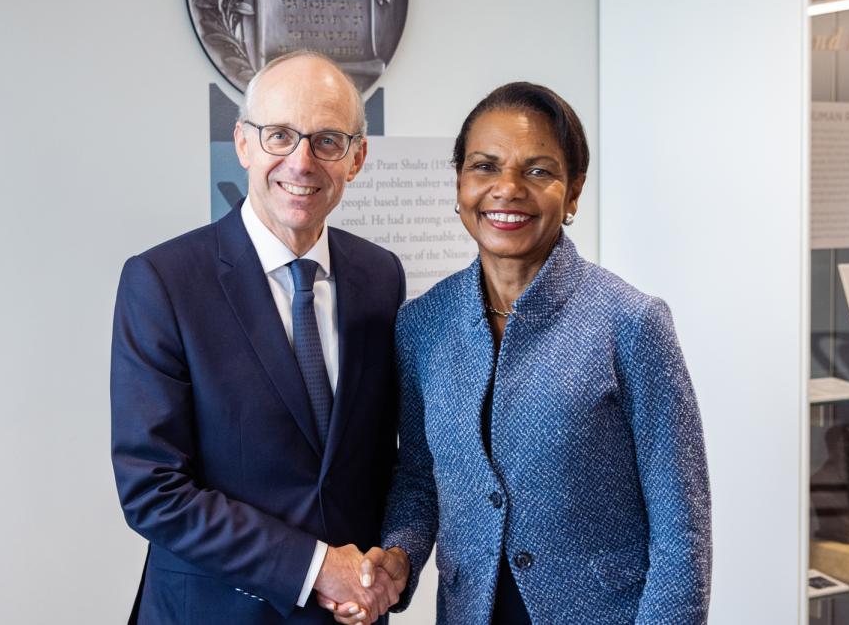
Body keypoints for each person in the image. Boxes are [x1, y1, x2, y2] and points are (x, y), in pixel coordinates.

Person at [325, 82, 712, 624]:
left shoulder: (631, 321)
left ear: (573, 192)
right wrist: (399, 557)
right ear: (460, 181)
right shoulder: (422, 325)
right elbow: (419, 478)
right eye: (484, 166)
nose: (506, 189)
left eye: (538, 171)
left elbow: (681, 525)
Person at [111, 51, 406, 624]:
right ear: (243, 143)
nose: (301, 162)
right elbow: (152, 489)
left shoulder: (381, 276)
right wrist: (315, 566)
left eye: (327, 140)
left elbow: (384, 458)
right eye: (279, 136)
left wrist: (393, 559)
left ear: (357, 157)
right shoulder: (163, 281)